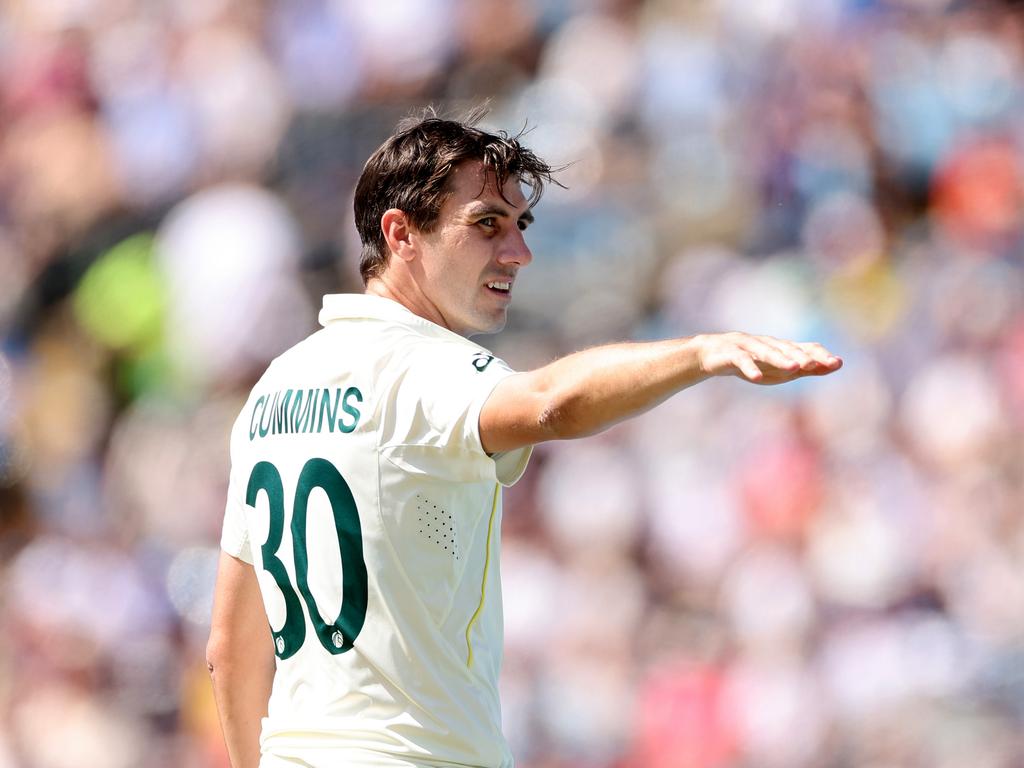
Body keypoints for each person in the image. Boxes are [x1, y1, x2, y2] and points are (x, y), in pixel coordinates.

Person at [206, 109, 842, 768]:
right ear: (401, 235)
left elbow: (229, 647)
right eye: (486, 224)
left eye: (519, 226)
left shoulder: (273, 390)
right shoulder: (422, 368)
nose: (518, 253)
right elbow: (550, 404)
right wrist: (703, 352)